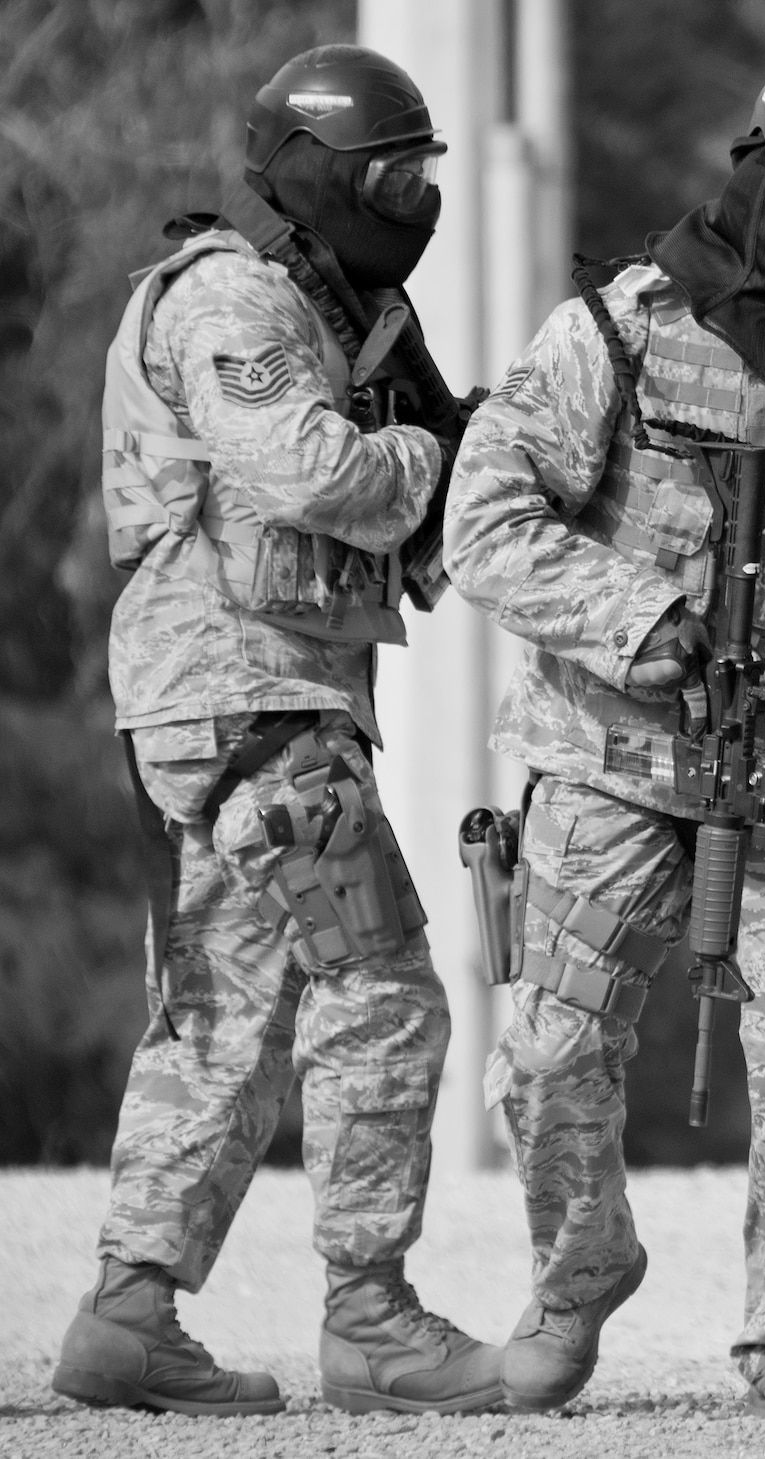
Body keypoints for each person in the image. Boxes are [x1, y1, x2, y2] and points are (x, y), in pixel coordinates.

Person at [442, 56, 765, 1416]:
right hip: (613, 753)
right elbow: (487, 516)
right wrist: (636, 618)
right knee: (548, 1045)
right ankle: (579, 1277)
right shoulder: (620, 330)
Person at [53, 46, 501, 1417]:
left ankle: (130, 1315)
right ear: (315, 175)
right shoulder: (236, 297)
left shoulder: (336, 310)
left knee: (220, 1020)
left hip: (245, 700)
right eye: (388, 175)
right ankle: (371, 1320)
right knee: (383, 996)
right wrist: (434, 451)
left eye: (424, 172)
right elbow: (313, 473)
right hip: (244, 694)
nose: (412, 198)